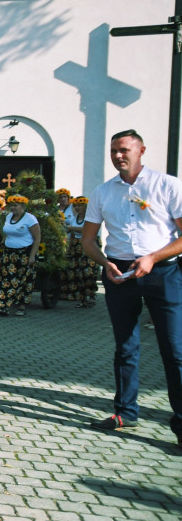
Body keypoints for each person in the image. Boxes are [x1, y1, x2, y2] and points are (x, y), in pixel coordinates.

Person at [82, 129, 182, 446]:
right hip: (119, 274)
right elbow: (87, 240)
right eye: (113, 150)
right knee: (125, 346)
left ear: (141, 151)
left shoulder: (167, 185)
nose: (118, 156)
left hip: (162, 273)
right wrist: (104, 262)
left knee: (175, 351)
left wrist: (153, 257)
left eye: (124, 149)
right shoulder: (102, 192)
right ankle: (125, 413)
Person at [0, 194, 40, 316]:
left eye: (15, 205)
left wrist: (32, 255)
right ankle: (3, 305)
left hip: (24, 253)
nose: (13, 208)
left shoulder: (30, 219)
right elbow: (8, 233)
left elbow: (37, 237)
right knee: (5, 279)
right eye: (11, 205)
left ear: (22, 206)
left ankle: (21, 306)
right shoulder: (8, 217)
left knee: (21, 281)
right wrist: (1, 245)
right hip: (9, 253)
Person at [64, 196, 100, 308]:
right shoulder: (75, 218)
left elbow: (87, 230)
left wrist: (71, 228)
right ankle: (82, 298)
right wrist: (69, 249)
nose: (77, 208)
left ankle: (91, 295)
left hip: (89, 243)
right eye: (75, 206)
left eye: (80, 205)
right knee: (78, 272)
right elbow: (73, 234)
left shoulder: (90, 218)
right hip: (77, 244)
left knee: (88, 271)